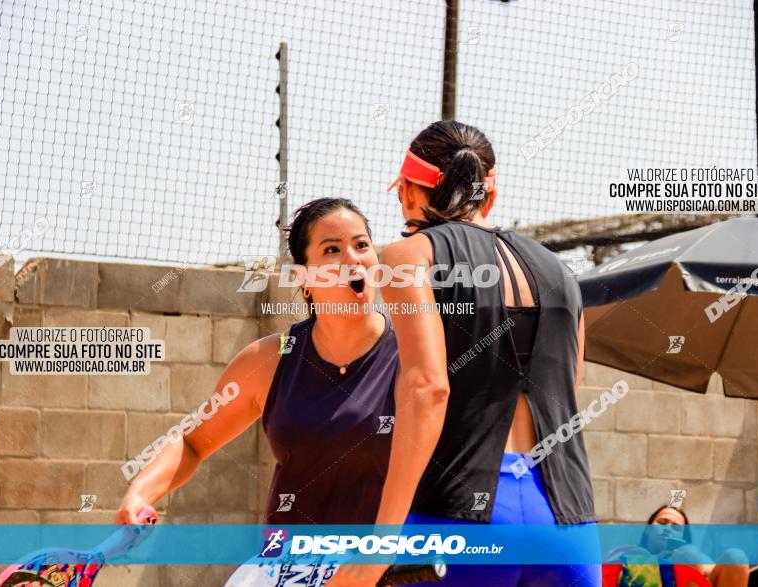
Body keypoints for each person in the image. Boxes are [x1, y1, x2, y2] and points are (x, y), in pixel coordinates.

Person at [328, 120, 598, 587]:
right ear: (489, 195)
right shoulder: (562, 273)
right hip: (569, 523)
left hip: (457, 519)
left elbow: (428, 386)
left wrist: (383, 539)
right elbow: (568, 395)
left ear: (411, 191)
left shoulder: (410, 256)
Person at [115, 197, 398, 529]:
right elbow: (192, 441)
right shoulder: (268, 361)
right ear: (303, 276)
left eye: (361, 245)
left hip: (388, 569)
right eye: (332, 250)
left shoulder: (418, 356)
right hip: (288, 568)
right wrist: (139, 494)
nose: (353, 259)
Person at [608, 505, 749, 587]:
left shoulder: (690, 555)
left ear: (683, 538)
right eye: (662, 522)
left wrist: (690, 560)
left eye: (676, 527)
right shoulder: (628, 550)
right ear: (648, 529)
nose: (668, 528)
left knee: (735, 557)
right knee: (639, 556)